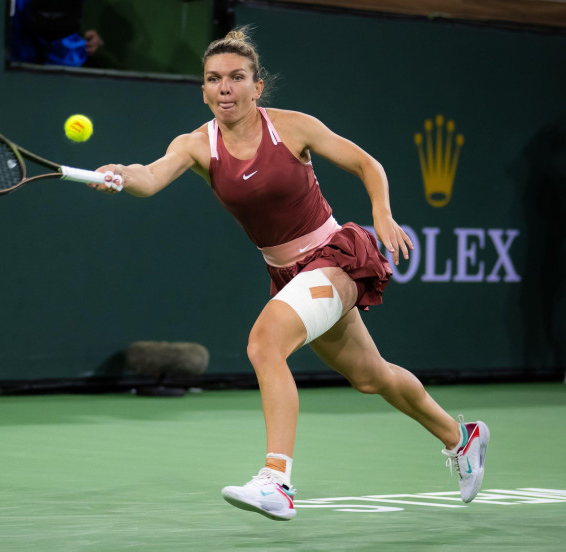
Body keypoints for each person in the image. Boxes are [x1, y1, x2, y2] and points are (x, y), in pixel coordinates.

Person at [90, 28, 490, 521]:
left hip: (336, 256)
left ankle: (276, 480)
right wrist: (121, 176)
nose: (225, 89)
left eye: (237, 78)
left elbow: (366, 163)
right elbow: (150, 176)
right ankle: (461, 436)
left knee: (264, 343)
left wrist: (382, 214)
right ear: (203, 89)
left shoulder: (292, 127)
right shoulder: (196, 145)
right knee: (371, 377)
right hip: (287, 274)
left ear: (257, 87)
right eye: (214, 80)